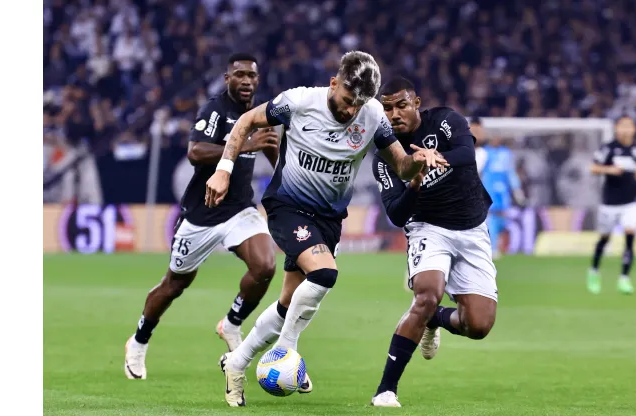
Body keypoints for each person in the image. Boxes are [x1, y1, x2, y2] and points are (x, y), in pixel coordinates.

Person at [205, 51, 448, 407]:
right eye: (348, 100)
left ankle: (237, 362)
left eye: (360, 104)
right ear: (334, 84)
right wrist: (224, 168)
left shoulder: (373, 116)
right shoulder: (299, 101)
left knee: (289, 304)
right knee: (324, 274)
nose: (352, 111)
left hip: (329, 219)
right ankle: (285, 352)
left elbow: (401, 166)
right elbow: (245, 122)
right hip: (287, 206)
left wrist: (418, 163)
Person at [124, 53, 280, 380]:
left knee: (265, 265)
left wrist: (284, 176)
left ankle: (232, 324)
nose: (247, 81)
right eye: (239, 75)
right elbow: (195, 151)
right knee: (174, 284)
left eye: (252, 75)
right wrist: (245, 145)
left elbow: (270, 149)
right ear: (228, 79)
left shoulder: (259, 113)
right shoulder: (215, 109)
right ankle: (139, 341)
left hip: (240, 209)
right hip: (202, 214)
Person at [369, 77, 497, 407]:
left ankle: (436, 319)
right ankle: (386, 390)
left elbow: (467, 153)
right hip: (428, 228)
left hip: (472, 227)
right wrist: (413, 183)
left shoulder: (444, 120)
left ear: (416, 103)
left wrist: (436, 157)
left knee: (478, 326)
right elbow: (397, 215)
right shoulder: (385, 156)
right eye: (386, 108)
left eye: (401, 105)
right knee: (426, 295)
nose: (394, 114)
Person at [587, 116, 636, 295]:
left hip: (631, 202)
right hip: (610, 203)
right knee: (604, 238)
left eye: (628, 126)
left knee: (630, 236)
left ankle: (624, 278)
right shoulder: (608, 148)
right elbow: (593, 168)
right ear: (616, 128)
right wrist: (610, 170)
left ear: (634, 129)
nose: (625, 129)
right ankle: (594, 271)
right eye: (622, 126)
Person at [480, 135, 526, 258]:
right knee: (492, 217)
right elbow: (478, 171)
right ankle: (493, 247)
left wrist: (517, 190)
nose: (496, 139)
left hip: (503, 191)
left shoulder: (506, 153)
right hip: (489, 189)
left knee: (502, 219)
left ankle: (499, 244)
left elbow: (510, 172)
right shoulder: (484, 152)